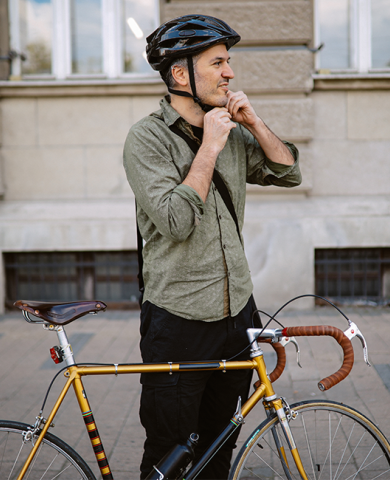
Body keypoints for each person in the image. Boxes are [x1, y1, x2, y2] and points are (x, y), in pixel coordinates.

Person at [123, 14, 302, 479]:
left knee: (219, 450)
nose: (230, 72)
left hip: (237, 314)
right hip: (178, 319)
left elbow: (288, 172)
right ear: (180, 74)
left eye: (229, 61)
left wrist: (253, 122)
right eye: (218, 62)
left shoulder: (232, 132)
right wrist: (209, 148)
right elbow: (177, 221)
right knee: (171, 454)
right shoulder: (147, 139)